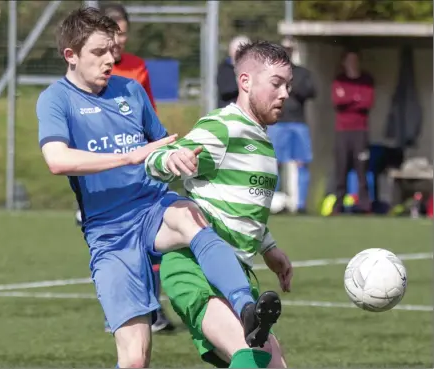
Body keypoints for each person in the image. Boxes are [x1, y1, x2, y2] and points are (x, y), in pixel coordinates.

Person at [37, 8, 282, 368]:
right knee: (136, 358)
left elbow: (162, 145)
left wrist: (179, 157)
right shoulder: (56, 99)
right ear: (70, 56)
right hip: (109, 232)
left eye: (112, 51)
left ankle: (245, 308)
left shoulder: (130, 91)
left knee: (189, 216)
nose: (110, 59)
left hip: (152, 208)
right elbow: (57, 160)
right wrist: (129, 157)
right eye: (99, 52)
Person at [145, 41, 294, 368]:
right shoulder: (224, 128)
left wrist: (270, 249)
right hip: (193, 266)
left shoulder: (263, 142)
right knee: (247, 354)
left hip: (237, 272)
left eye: (288, 85)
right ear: (245, 82)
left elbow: (245, 209)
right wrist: (173, 158)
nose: (284, 93)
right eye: (276, 83)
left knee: (275, 364)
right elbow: (154, 160)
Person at [99, 2, 173, 334]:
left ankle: (152, 310)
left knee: (152, 241)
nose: (120, 42)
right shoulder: (91, 71)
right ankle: (120, 312)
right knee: (116, 246)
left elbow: (149, 118)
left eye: (124, 34)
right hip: (105, 170)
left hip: (139, 165)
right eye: (115, 34)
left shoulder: (136, 67)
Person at [266, 37, 316, 214]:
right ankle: (274, 204)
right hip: (277, 124)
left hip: (298, 124)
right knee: (274, 165)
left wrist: (292, 86)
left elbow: (311, 92)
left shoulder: (301, 73)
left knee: (302, 164)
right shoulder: (271, 74)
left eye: (289, 49)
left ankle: (300, 205)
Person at [331, 49, 374, 214]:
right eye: (349, 60)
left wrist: (348, 99)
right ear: (344, 62)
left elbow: (367, 103)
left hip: (360, 131)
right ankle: (338, 206)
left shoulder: (366, 80)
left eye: (355, 60)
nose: (352, 63)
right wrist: (355, 98)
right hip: (342, 132)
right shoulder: (339, 80)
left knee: (362, 170)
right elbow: (337, 101)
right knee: (340, 169)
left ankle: (365, 206)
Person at [216, 35, 251, 108]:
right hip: (229, 109)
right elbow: (226, 90)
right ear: (231, 52)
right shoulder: (225, 68)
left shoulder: (254, 69)